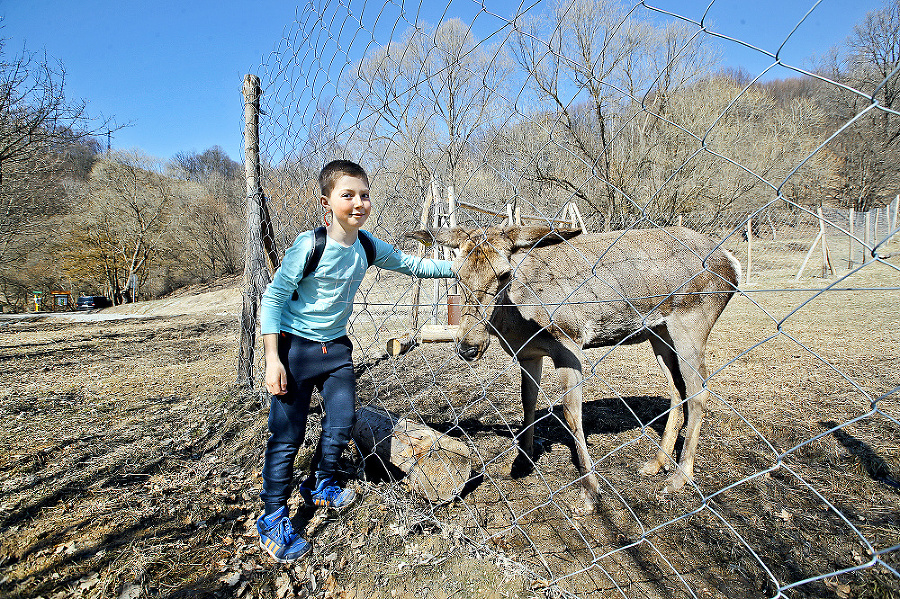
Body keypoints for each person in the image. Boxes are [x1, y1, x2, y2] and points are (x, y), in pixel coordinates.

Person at [255, 159, 453, 563]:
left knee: (342, 420)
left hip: (337, 350)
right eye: (348, 195)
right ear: (327, 201)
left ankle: (322, 482)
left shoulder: (368, 245)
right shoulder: (308, 246)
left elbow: (414, 265)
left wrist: (463, 267)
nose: (359, 203)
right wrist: (272, 358)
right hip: (296, 351)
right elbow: (273, 298)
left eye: (364, 195)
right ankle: (273, 515)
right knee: (287, 436)